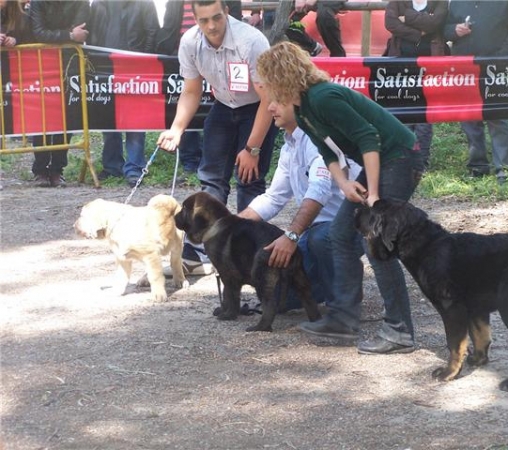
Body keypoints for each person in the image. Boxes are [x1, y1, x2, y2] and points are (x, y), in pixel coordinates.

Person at [257, 41, 419, 355]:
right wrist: (344, 182)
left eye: (271, 89)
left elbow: (368, 137)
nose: (269, 103)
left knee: (376, 243)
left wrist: (373, 195)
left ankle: (400, 331)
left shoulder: (323, 97)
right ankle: (344, 319)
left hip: (398, 157)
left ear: (283, 78)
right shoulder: (304, 111)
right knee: (341, 234)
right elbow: (328, 151)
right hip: (381, 160)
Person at [157, 0, 278, 276]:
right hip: (223, 105)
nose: (211, 26)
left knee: (249, 179)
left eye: (216, 18)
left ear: (226, 12)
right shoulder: (189, 42)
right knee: (210, 180)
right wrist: (176, 129)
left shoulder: (251, 41)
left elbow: (268, 98)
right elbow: (190, 91)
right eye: (203, 21)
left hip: (257, 108)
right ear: (195, 19)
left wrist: (252, 148)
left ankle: (248, 255)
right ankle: (197, 254)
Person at [238, 99, 361, 311]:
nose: (269, 108)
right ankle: (338, 280)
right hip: (317, 232)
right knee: (275, 298)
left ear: (296, 103)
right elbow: (274, 198)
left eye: (277, 101)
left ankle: (343, 306)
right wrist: (231, 225)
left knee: (320, 238)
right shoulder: (289, 146)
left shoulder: (317, 140)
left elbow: (319, 190)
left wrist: (291, 236)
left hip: (353, 227)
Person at [444, 0, 508, 185]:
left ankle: (504, 171)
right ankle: (477, 168)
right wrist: (454, 31)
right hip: (465, 68)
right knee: (469, 118)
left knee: (497, 117)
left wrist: (502, 57)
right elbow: (445, 29)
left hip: (495, 68)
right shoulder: (456, 2)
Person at [88, 0, 159, 187]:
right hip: (105, 68)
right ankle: (112, 166)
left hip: (135, 68)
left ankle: (135, 168)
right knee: (109, 118)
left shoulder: (144, 3)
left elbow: (152, 32)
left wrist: (145, 61)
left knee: (135, 120)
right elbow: (93, 36)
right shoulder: (98, 4)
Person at [28, 0, 89, 187]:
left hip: (70, 63)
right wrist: (68, 34)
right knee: (42, 117)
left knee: (67, 118)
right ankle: (40, 169)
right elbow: (38, 32)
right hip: (42, 64)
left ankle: (57, 169)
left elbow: (81, 31)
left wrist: (67, 36)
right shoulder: (38, 2)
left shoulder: (81, 2)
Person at [384, 0, 448, 171]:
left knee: (424, 114)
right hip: (400, 63)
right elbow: (390, 23)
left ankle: (421, 161)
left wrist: (407, 18)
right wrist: (419, 33)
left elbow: (436, 23)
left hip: (431, 65)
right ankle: (404, 158)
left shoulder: (440, 2)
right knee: (403, 112)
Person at [156, 0, 204, 177]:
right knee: (185, 108)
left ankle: (214, 160)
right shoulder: (175, 2)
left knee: (214, 113)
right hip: (180, 57)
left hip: (217, 56)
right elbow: (168, 27)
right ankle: (190, 160)